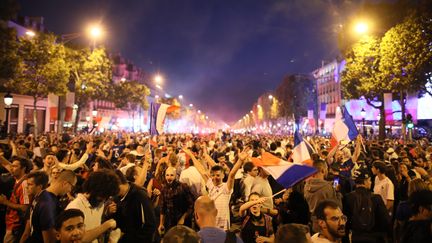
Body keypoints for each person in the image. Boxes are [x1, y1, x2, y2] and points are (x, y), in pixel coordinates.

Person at [20, 170, 77, 243]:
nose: (70, 190)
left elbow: (26, 232)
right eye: (72, 187)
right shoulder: (48, 203)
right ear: (65, 183)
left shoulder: (41, 195)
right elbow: (49, 240)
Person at [66, 170, 119, 243]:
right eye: (102, 196)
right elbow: (79, 239)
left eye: (107, 197)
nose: (104, 200)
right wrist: (106, 225)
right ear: (92, 190)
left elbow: (95, 230)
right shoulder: (74, 207)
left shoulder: (100, 205)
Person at [343, 169, 390, 243]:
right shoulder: (376, 198)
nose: (371, 183)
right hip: (374, 238)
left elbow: (345, 220)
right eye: (369, 180)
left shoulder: (348, 197)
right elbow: (385, 221)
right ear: (365, 181)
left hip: (355, 237)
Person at [114, 170, 156, 242]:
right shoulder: (117, 197)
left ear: (119, 184)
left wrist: (126, 237)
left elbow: (149, 225)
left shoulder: (140, 195)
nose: (111, 193)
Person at [0, 156, 32, 243]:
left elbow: (25, 207)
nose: (11, 168)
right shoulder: (18, 178)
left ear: (23, 168)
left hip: (15, 224)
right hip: (11, 222)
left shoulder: (24, 184)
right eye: (12, 166)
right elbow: (6, 164)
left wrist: (5, 202)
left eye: (15, 166)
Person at [158, 166, 195, 235]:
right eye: (167, 175)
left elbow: (191, 205)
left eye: (172, 175)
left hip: (184, 222)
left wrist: (183, 218)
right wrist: (161, 223)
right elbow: (162, 208)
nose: (169, 177)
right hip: (170, 222)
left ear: (176, 176)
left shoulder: (183, 187)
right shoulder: (164, 189)